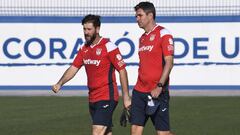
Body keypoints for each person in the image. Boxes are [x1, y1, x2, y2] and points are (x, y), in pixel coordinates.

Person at [52, 14, 131, 135]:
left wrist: (126, 97)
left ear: (97, 29)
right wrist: (60, 83)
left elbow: (122, 71)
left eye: (89, 29)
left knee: (97, 132)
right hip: (93, 98)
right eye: (84, 29)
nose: (86, 32)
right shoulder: (84, 48)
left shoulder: (109, 47)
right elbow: (74, 68)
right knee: (106, 132)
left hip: (107, 96)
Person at [131, 2, 175, 135]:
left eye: (140, 15)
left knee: (163, 133)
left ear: (150, 15)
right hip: (139, 92)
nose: (137, 18)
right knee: (135, 131)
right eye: (136, 15)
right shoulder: (142, 38)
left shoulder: (163, 33)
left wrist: (160, 86)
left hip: (158, 92)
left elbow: (169, 62)